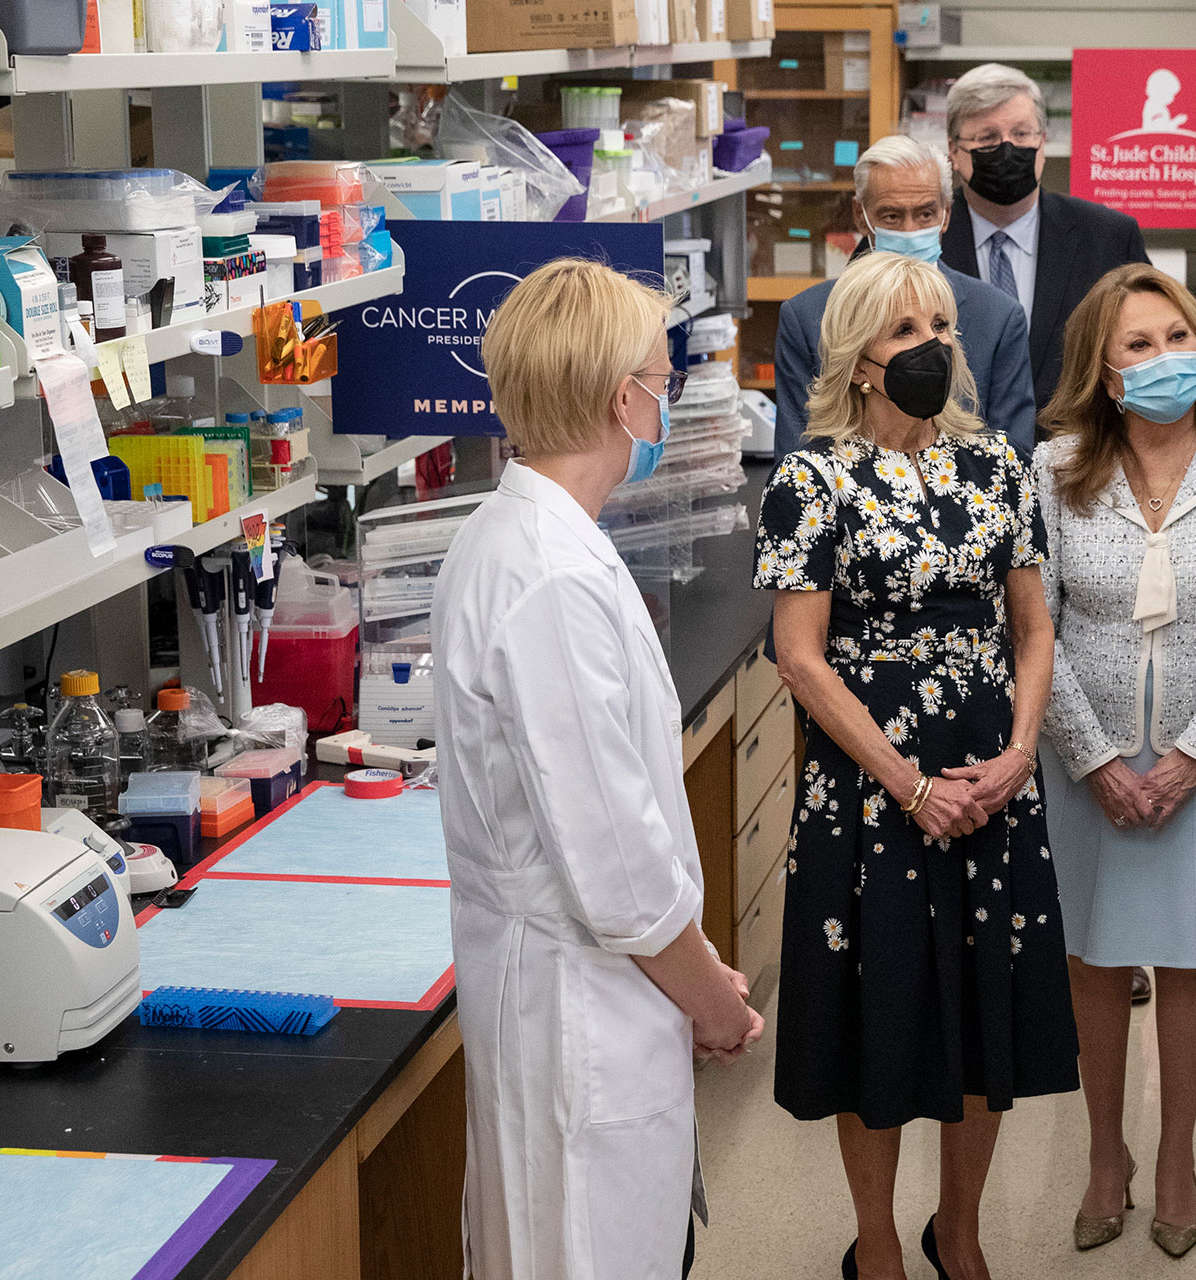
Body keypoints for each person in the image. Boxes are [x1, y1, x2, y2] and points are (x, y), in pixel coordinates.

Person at [434, 258, 764, 1280]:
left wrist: (694, 972)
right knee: (582, 1244)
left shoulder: (527, 535)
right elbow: (617, 867)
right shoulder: (549, 578)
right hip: (580, 1000)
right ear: (625, 399)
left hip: (586, 984)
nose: (667, 400)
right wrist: (713, 999)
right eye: (665, 379)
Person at [754, 250, 1079, 1280]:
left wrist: (1020, 752)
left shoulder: (997, 468)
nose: (932, 346)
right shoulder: (810, 479)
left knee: (986, 1008)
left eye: (941, 325)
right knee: (880, 1009)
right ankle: (881, 1241)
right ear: (858, 359)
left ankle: (963, 1228)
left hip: (989, 780)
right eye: (904, 331)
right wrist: (907, 782)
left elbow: (1034, 632)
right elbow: (800, 657)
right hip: (871, 786)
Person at [1033, 263, 1196, 1261]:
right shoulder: (1054, 470)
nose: (1163, 359)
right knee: (1095, 961)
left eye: (1177, 338)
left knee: (1189, 957)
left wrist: (1193, 755)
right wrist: (1096, 756)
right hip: (1084, 754)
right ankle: (1108, 1155)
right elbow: (1036, 627)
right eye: (1138, 345)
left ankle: (1177, 1156)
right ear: (1104, 373)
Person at [775, 135, 1036, 457]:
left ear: (946, 214)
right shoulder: (807, 315)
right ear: (861, 215)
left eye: (925, 214)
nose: (910, 230)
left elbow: (1014, 458)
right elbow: (795, 458)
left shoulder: (997, 315)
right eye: (891, 217)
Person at [940, 62, 1151, 413]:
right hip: (947, 460)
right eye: (987, 138)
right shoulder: (918, 234)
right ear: (954, 150)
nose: (1008, 148)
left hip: (1077, 455)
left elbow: (1146, 352)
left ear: (1043, 141)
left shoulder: (1109, 238)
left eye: (1022, 134)